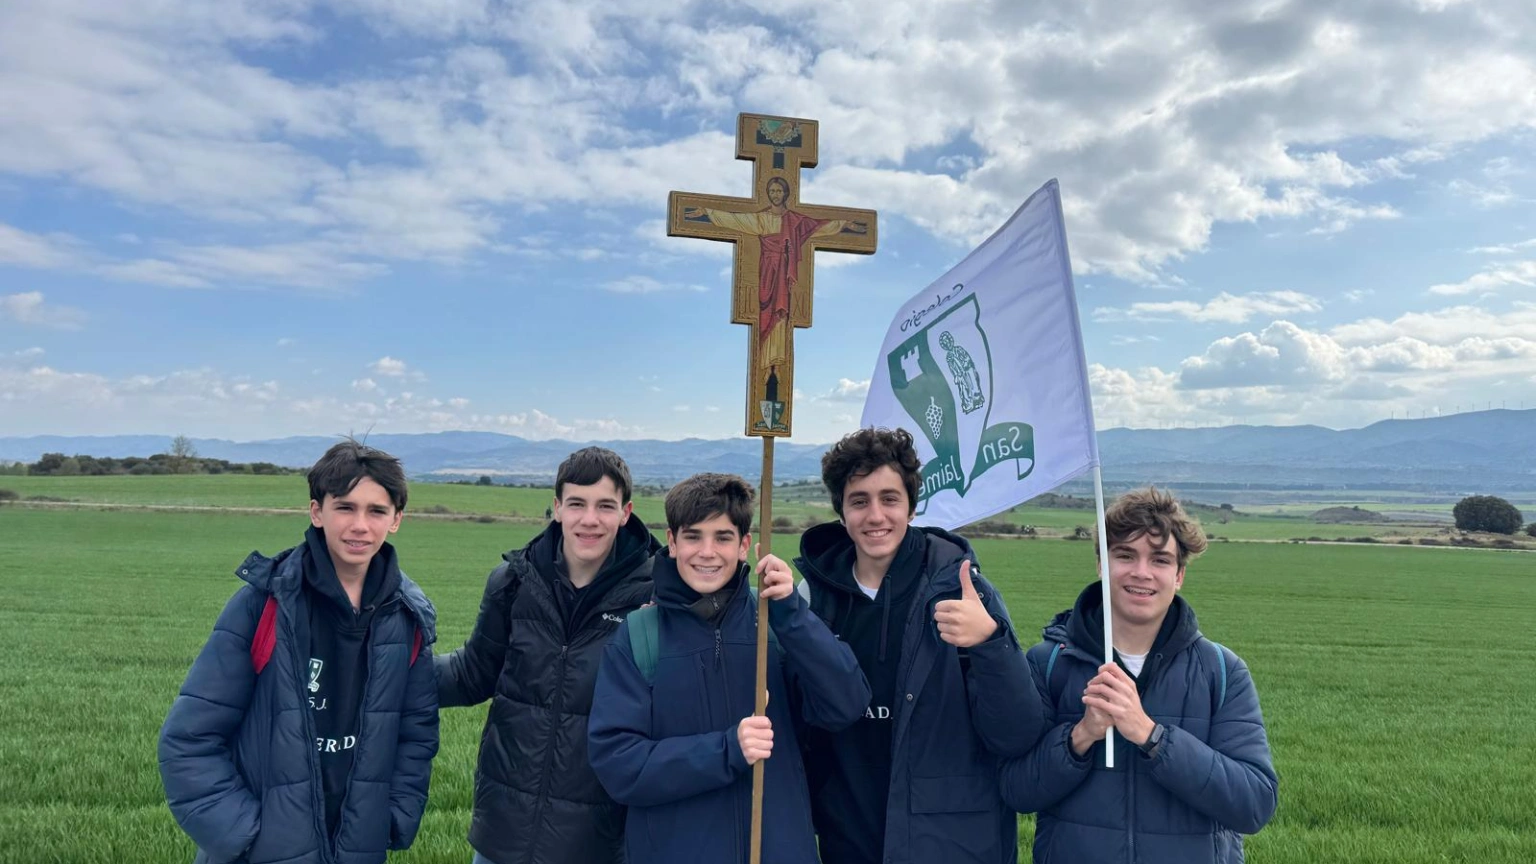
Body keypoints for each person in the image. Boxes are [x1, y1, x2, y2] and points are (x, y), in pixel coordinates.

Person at [158, 440, 438, 864]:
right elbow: (189, 739)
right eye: (345, 507)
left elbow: (416, 735)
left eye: (377, 511)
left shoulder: (407, 618)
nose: (360, 525)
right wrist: (247, 836)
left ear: (397, 519)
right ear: (316, 512)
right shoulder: (263, 605)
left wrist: (393, 819)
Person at [791, 427, 1047, 864]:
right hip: (850, 838)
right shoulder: (812, 598)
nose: (875, 515)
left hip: (952, 842)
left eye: (889, 498)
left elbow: (1017, 733)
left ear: (911, 506)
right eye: (859, 501)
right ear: (841, 512)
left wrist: (990, 643)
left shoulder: (964, 592)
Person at [587, 472, 870, 864]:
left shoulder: (777, 623)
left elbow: (847, 703)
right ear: (672, 542)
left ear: (744, 546)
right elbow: (618, 765)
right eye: (693, 536)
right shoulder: (639, 636)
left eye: (722, 537)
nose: (707, 552)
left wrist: (792, 613)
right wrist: (727, 750)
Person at [999, 488, 1278, 863]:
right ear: (1102, 565)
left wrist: (1152, 737)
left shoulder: (1222, 672)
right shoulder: (1049, 664)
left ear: (1178, 575)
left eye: (1160, 560)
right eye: (1125, 555)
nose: (1141, 572)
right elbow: (1016, 790)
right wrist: (1080, 736)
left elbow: (1254, 804)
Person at [435, 446, 662, 864]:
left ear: (625, 512)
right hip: (503, 834)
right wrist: (385, 668)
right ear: (557, 508)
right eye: (576, 504)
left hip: (598, 842)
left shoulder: (655, 597)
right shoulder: (513, 583)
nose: (589, 519)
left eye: (605, 506)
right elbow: (471, 674)